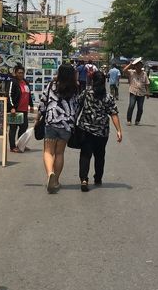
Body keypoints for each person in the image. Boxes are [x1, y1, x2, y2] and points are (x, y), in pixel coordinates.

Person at [76, 71, 123, 191]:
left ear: (92, 81)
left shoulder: (86, 93)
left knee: (85, 155)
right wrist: (118, 130)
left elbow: (77, 106)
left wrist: (73, 122)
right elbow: (113, 114)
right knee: (100, 155)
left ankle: (84, 179)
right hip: (102, 132)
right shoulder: (108, 97)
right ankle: (98, 178)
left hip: (85, 129)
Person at [36, 63, 79, 193]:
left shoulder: (51, 85)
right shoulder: (75, 88)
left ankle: (50, 174)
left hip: (51, 122)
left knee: (48, 151)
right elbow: (77, 106)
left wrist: (37, 119)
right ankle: (56, 180)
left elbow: (43, 102)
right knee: (59, 153)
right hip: (66, 124)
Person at [7, 64, 34, 153]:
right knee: (13, 128)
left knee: (24, 127)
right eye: (19, 73)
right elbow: (9, 95)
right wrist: (12, 107)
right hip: (15, 110)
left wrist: (31, 105)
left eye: (22, 73)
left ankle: (20, 145)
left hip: (24, 109)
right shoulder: (12, 82)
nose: (21, 74)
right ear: (15, 73)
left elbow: (28, 94)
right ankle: (12, 147)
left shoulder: (25, 82)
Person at [123, 57, 149, 126]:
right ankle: (129, 120)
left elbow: (147, 83)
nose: (138, 68)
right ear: (135, 66)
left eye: (140, 66)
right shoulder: (132, 72)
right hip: (133, 92)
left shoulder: (144, 74)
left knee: (140, 108)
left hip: (142, 93)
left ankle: (137, 120)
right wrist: (130, 64)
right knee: (131, 106)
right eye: (137, 66)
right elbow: (124, 70)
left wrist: (147, 92)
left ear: (141, 67)